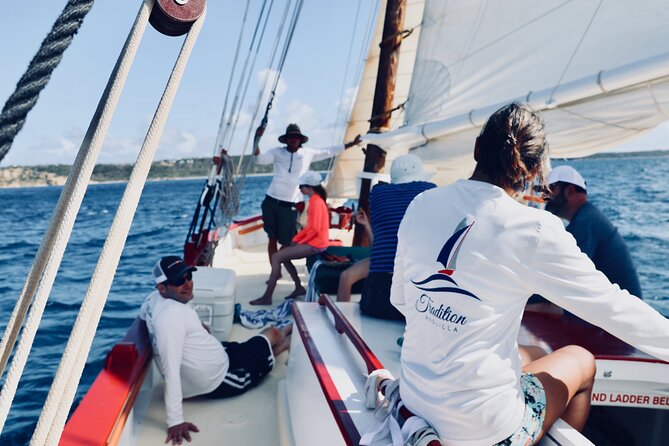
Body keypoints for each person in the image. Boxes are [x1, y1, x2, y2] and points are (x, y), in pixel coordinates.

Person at [389, 102, 669, 445]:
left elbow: (400, 298)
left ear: (477, 149)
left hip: (416, 402)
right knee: (581, 360)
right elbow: (613, 307)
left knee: (534, 355)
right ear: (535, 170)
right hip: (482, 430)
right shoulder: (534, 229)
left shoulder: (421, 204)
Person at [139, 256, 292, 445]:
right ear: (162, 288)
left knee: (270, 336)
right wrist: (175, 421)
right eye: (179, 281)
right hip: (222, 378)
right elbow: (171, 371)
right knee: (274, 333)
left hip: (220, 351)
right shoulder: (169, 319)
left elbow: (144, 315)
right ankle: (288, 336)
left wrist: (199, 327)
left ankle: (284, 335)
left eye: (188, 276)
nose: (187, 284)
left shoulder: (153, 300)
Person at [336, 154, 436, 318]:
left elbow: (383, 245)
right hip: (411, 302)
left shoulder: (378, 193)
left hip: (376, 298)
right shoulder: (429, 190)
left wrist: (367, 225)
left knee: (346, 276)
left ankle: (340, 323)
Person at [254, 123, 361, 266]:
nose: (293, 140)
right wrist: (256, 139)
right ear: (285, 140)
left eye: (296, 137)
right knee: (271, 239)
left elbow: (329, 151)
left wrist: (351, 144)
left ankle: (282, 266)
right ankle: (276, 272)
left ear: (300, 140)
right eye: (290, 137)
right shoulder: (276, 152)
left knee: (288, 242)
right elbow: (258, 159)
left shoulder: (307, 154)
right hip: (271, 201)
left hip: (291, 205)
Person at [545, 164, 642, 297]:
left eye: (551, 189)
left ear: (570, 191)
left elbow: (567, 276)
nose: (546, 196)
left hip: (620, 313)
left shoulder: (585, 222)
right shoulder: (588, 217)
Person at [250, 171, 331, 305]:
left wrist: (296, 241)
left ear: (309, 187)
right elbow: (312, 229)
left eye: (301, 186)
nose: (299, 189)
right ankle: (299, 287)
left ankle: (267, 297)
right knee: (283, 254)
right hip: (315, 242)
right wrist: (297, 240)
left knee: (276, 257)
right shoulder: (316, 200)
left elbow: (314, 229)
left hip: (316, 244)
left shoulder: (315, 202)